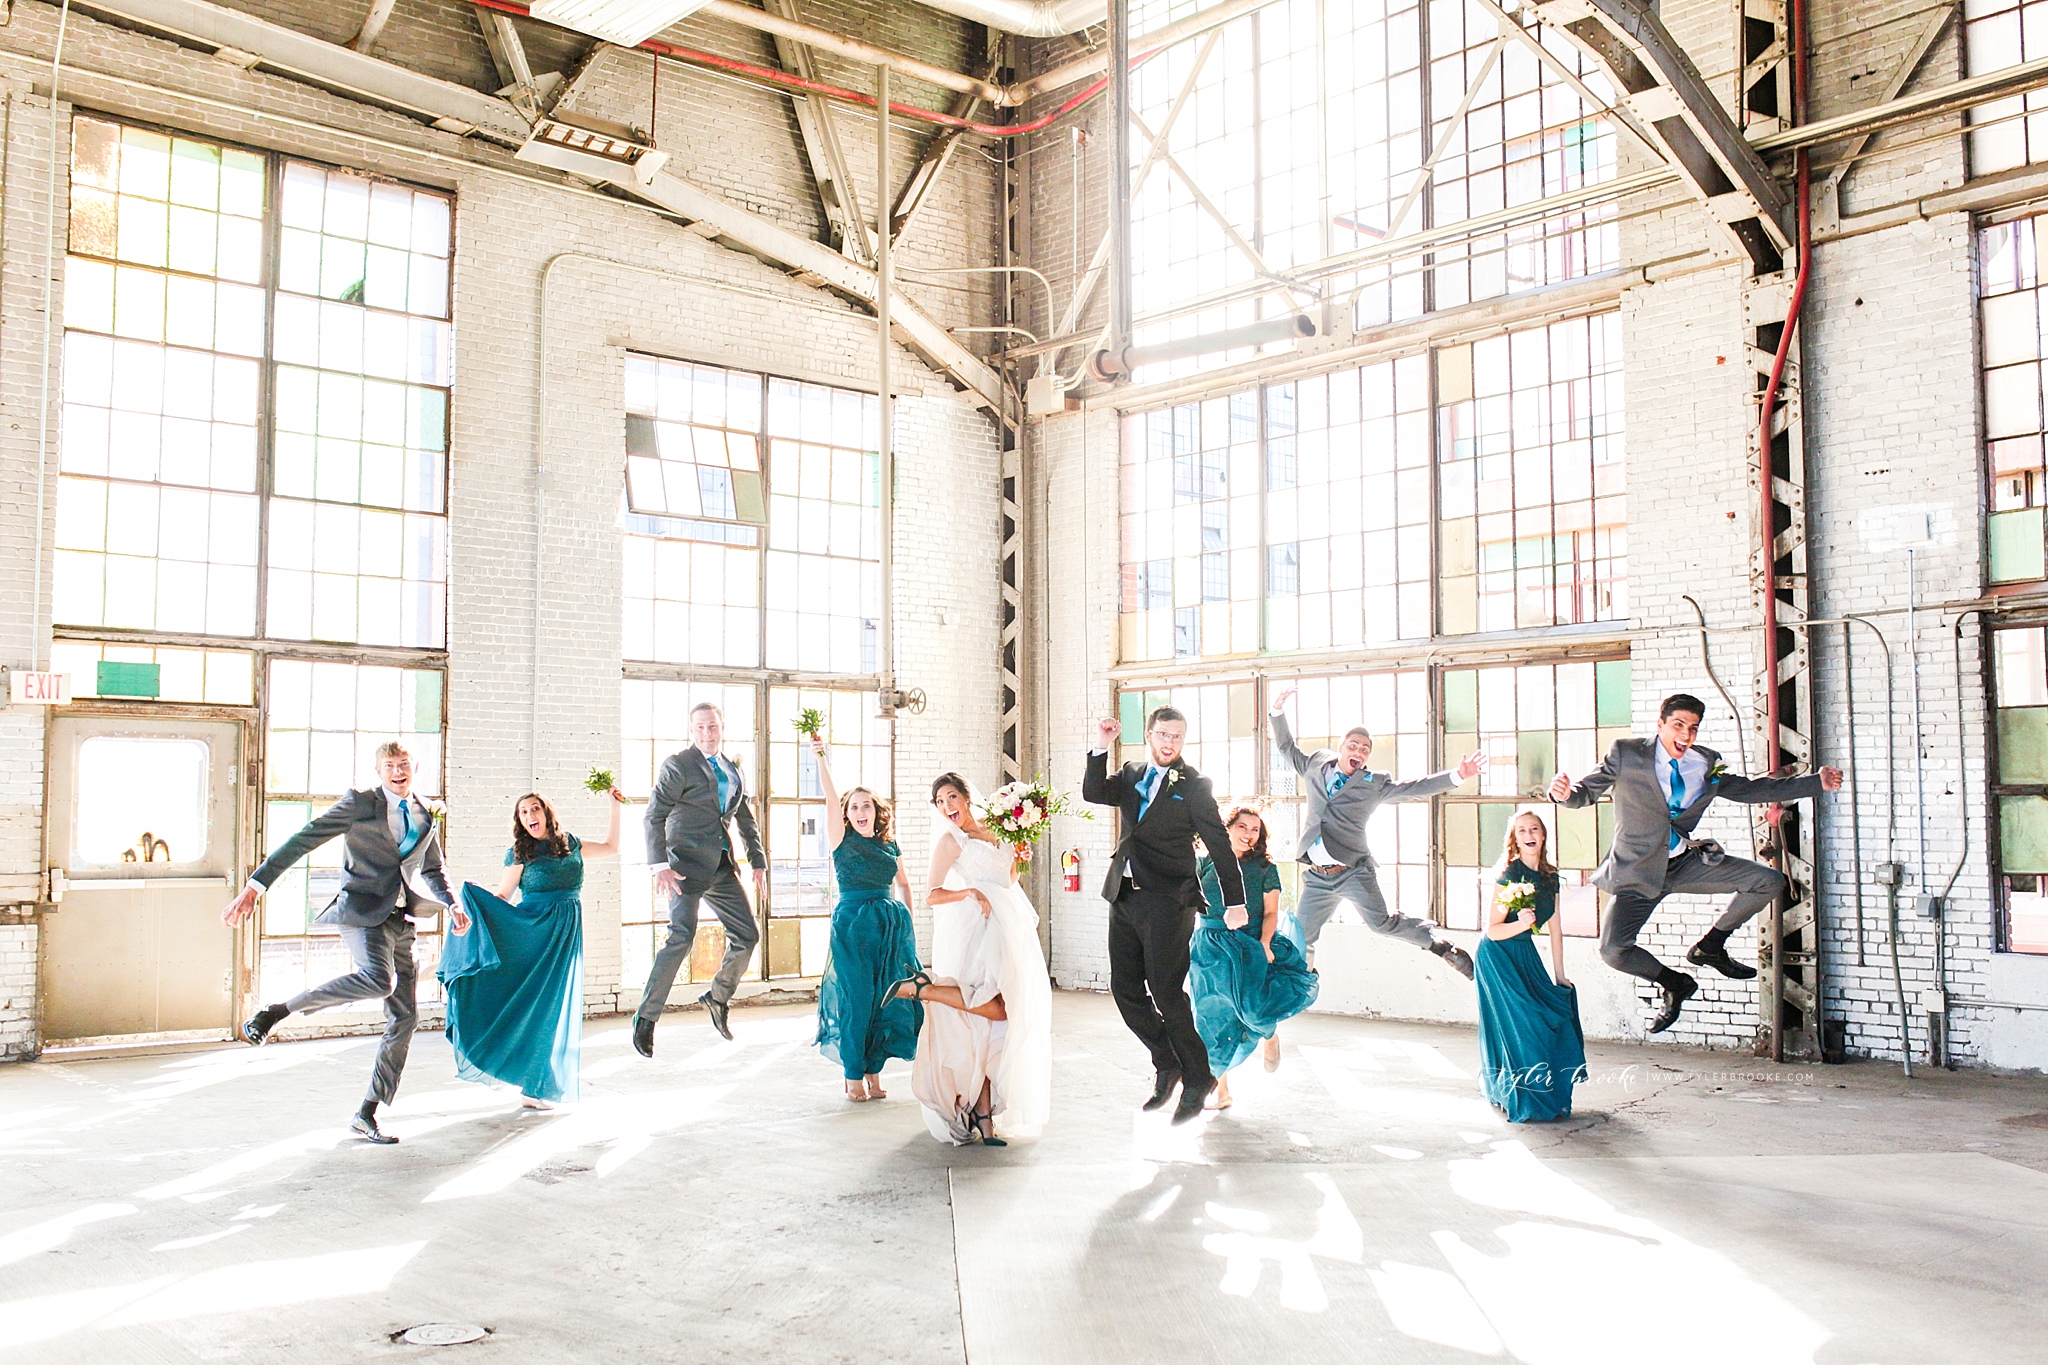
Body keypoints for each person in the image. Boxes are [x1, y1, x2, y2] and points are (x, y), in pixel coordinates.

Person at [1548, 692, 1844, 1033]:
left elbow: (1748, 790)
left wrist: (1814, 783)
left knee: (1769, 881)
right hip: (1637, 872)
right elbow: (1585, 793)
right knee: (1613, 951)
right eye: (1678, 726)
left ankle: (1711, 946)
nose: (1686, 736)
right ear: (1660, 725)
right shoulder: (1627, 753)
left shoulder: (1705, 762)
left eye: (1693, 728)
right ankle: (1675, 983)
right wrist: (1564, 794)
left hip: (1684, 863)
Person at [221, 741, 467, 1145]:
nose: (398, 771)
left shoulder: (425, 812)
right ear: (378, 771)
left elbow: (434, 867)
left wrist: (453, 903)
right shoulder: (359, 804)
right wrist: (255, 887)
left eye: (404, 764)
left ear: (415, 767)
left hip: (403, 918)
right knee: (379, 980)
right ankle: (277, 1011)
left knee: (405, 1018)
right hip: (361, 914)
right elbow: (302, 841)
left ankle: (366, 1113)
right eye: (389, 765)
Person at [1083, 706, 1245, 1125]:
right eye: (1162, 734)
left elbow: (1220, 847)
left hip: (1169, 902)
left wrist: (1235, 901)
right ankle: (1167, 1060)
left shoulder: (1194, 787)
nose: (1169, 742)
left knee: (1167, 991)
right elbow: (1093, 792)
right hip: (1124, 895)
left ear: (1183, 740)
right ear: (1150, 736)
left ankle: (1198, 1077)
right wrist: (1100, 745)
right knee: (1124, 989)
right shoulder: (1132, 773)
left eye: (1177, 736)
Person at [1268, 685, 1483, 978]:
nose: (1359, 751)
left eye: (1365, 749)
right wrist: (1277, 711)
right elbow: (1285, 747)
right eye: (1353, 746)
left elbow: (1414, 789)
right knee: (1300, 937)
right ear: (1341, 747)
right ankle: (1296, 986)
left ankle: (1440, 946)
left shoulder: (1373, 784)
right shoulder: (1315, 765)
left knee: (1380, 923)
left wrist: (1458, 775)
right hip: (1318, 876)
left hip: (1353, 871)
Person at [892, 772, 1052, 1146]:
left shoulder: (1001, 831)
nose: (947, 806)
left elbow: (1008, 879)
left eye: (952, 797)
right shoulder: (951, 841)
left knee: (1004, 1018)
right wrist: (968, 892)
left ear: (966, 797)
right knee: (989, 1014)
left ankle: (984, 1116)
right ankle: (926, 990)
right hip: (977, 930)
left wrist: (1021, 857)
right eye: (940, 802)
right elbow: (932, 895)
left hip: (1009, 926)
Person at [440, 786, 624, 1110]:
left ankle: (535, 1086)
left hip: (565, 932)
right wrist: (475, 912)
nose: (529, 816)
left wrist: (614, 805)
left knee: (552, 1008)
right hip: (533, 933)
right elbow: (502, 897)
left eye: (534, 809)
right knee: (540, 1008)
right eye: (523, 813)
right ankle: (536, 1086)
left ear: (546, 812)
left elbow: (611, 846)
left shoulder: (571, 844)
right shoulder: (520, 854)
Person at [636, 701, 767, 1057]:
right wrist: (658, 865)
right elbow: (653, 816)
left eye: (712, 726)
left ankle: (717, 997)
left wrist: (758, 862)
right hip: (683, 866)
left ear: (722, 727)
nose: (707, 733)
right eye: (700, 728)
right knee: (681, 936)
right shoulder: (679, 765)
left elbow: (745, 819)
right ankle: (646, 1018)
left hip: (721, 865)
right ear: (692, 731)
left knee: (748, 935)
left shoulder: (731, 769)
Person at [809, 736, 922, 1102]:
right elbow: (829, 797)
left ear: (876, 811)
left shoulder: (889, 844)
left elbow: (903, 882)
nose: (861, 812)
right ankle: (853, 1074)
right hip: (854, 923)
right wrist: (821, 757)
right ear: (847, 813)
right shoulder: (841, 839)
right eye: (854, 807)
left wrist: (910, 925)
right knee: (857, 998)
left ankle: (875, 1071)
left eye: (866, 806)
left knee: (888, 1000)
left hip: (891, 924)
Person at [1189, 807, 1319, 1111]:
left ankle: (1269, 1035)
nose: (1249, 834)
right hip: (1210, 946)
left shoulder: (1263, 867)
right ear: (1228, 828)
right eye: (1243, 827)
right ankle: (1220, 1092)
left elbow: (1271, 911)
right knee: (1211, 1018)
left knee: (1252, 1010)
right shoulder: (1204, 863)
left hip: (1249, 943)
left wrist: (1264, 943)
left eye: (1255, 830)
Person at [1475, 810, 1586, 1122]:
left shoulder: (1550, 879)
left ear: (1543, 835)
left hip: (1524, 954)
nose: (1528, 834)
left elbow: (1556, 930)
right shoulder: (1509, 877)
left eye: (1534, 828)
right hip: (1497, 957)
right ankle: (1520, 1097)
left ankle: (1546, 1094)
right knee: (1525, 1026)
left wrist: (1560, 976)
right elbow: (1492, 930)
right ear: (1515, 839)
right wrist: (1521, 923)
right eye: (1521, 830)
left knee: (1556, 1012)